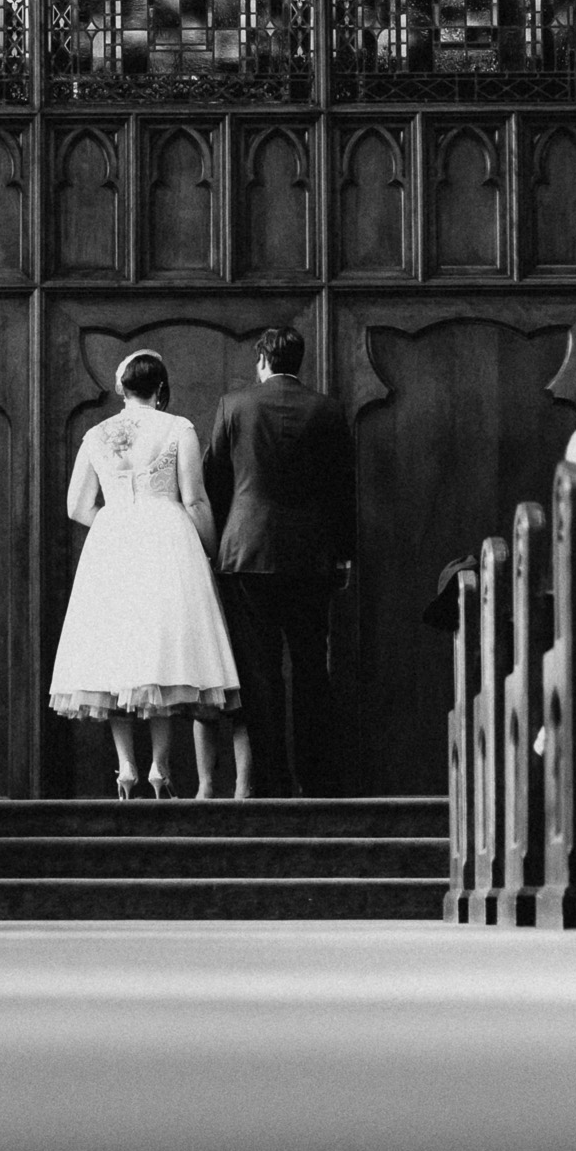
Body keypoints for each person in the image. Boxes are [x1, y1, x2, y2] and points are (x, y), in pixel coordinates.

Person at [47, 349, 250, 801]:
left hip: (114, 538)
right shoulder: (178, 428)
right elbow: (195, 500)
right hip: (167, 538)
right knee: (162, 652)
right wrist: (211, 550)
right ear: (160, 389)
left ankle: (125, 768)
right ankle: (160, 769)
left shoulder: (97, 434)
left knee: (117, 652)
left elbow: (76, 506)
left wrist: (117, 518)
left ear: (122, 389)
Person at [203, 327, 356, 798]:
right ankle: (318, 780)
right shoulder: (328, 410)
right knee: (312, 669)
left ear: (263, 361)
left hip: (247, 553)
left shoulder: (234, 405)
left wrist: (227, 534)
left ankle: (269, 781)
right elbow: (342, 488)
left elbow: (214, 479)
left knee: (258, 672)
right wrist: (344, 553)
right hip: (312, 556)